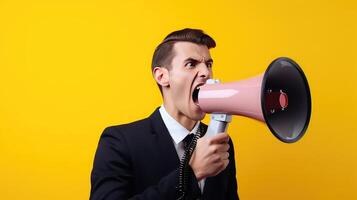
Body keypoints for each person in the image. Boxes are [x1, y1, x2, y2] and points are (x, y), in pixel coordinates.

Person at [90, 28, 239, 200]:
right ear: (162, 76)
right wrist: (190, 173)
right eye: (191, 64)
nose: (206, 72)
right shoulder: (119, 142)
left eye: (209, 64)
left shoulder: (219, 142)